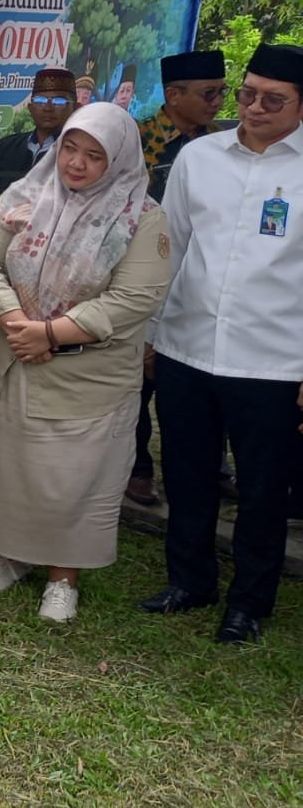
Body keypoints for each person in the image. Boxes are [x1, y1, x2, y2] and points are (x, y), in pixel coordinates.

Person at [0, 103, 170, 621]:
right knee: (10, 468)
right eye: (70, 149)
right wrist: (19, 325)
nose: (75, 164)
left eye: (93, 155)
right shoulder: (26, 194)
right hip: (15, 357)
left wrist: (51, 333)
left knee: (72, 477)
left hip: (86, 374)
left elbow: (133, 299)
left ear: (119, 160)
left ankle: (63, 576)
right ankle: (11, 555)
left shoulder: (142, 219)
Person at [140, 43, 303, 644]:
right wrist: (154, 334)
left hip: (274, 359)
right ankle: (190, 579)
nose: (254, 107)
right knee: (186, 470)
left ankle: (250, 603)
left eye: (272, 99)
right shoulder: (200, 158)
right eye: (246, 94)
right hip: (188, 345)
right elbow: (172, 247)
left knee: (263, 488)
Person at [127, 50, 226, 506]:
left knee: (193, 379)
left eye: (223, 92)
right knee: (136, 379)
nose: (218, 103)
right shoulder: (138, 139)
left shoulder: (225, 146)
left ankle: (207, 466)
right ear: (173, 95)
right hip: (136, 270)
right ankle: (136, 467)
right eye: (209, 93)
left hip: (200, 273)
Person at [0, 69, 76, 220]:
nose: (47, 108)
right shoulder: (6, 147)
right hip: (0, 236)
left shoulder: (77, 156)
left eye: (58, 102)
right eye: (40, 101)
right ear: (30, 107)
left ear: (76, 107)